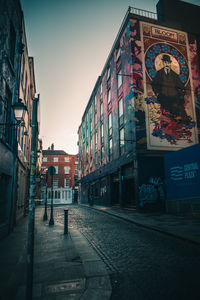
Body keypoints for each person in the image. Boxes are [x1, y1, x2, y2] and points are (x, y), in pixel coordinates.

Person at [151, 54, 189, 123]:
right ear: (163, 63)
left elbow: (180, 85)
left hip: (174, 96)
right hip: (163, 96)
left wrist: (182, 93)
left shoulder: (174, 74)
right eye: (165, 62)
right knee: (166, 110)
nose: (167, 64)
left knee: (177, 108)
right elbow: (154, 83)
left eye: (168, 62)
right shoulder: (159, 73)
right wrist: (157, 92)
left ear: (170, 63)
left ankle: (179, 119)